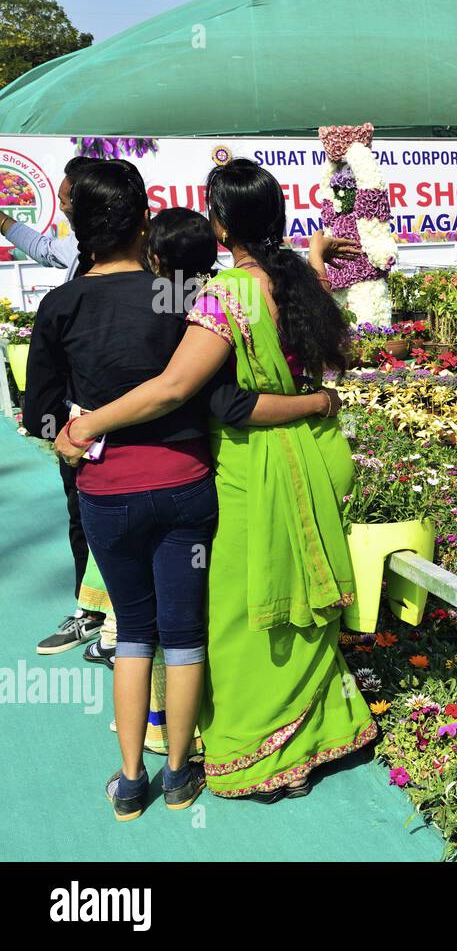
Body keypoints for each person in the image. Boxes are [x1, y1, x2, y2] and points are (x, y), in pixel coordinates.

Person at [57, 158, 374, 803]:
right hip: (314, 457)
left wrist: (90, 426)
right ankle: (319, 728)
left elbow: (176, 388)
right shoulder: (301, 283)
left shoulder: (225, 295)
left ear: (219, 224)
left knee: (239, 607)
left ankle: (252, 744)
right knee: (299, 594)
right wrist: (317, 400)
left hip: (255, 466)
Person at [8, 155, 108, 658]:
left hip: (124, 424)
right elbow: (44, 247)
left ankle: (127, 623)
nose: (62, 208)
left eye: (67, 201)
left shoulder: (151, 275)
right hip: (79, 424)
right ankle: (90, 609)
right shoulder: (75, 256)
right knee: (81, 511)